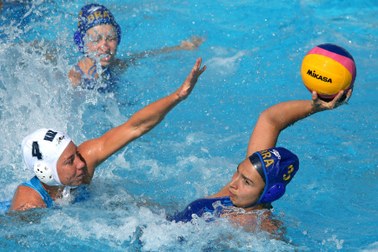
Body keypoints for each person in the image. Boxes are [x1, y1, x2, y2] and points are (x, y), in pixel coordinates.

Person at [9, 58, 206, 212]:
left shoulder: (83, 161)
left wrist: (178, 95)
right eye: (70, 161)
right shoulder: (29, 205)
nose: (81, 163)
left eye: (76, 153)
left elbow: (135, 127)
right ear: (46, 171)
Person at [169, 90, 352, 234]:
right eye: (238, 172)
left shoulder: (263, 230)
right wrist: (316, 107)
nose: (233, 184)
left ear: (270, 193)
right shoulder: (236, 196)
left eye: (246, 181)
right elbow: (270, 120)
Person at [68, 3, 204, 91]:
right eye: (96, 39)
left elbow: (143, 56)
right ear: (82, 43)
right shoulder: (76, 80)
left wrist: (180, 47)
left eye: (111, 38)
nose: (104, 46)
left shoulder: (115, 66)